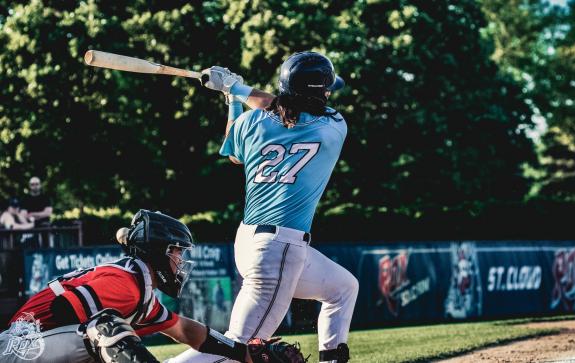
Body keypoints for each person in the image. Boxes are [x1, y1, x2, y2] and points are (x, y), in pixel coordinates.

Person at [170, 52, 359, 363]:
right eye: (325, 89)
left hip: (250, 241)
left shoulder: (251, 120)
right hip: (280, 247)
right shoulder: (332, 126)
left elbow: (234, 153)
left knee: (342, 287)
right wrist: (236, 89)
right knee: (236, 349)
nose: (329, 94)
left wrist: (232, 94)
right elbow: (283, 106)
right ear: (317, 92)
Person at [0, 209, 304, 363]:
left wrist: (242, 353)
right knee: (108, 328)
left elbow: (185, 330)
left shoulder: (139, 286)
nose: (181, 260)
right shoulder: (125, 284)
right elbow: (67, 312)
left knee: (109, 331)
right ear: (159, 249)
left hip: (41, 346)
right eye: (177, 251)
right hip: (20, 348)